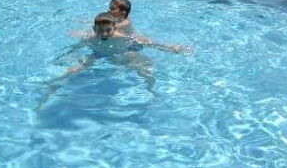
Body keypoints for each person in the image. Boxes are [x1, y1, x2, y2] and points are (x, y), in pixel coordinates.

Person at [43, 12, 190, 105]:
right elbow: (75, 48)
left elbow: (149, 43)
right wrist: (61, 58)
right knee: (75, 69)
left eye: (108, 30)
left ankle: (151, 90)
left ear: (115, 28)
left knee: (143, 70)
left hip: (121, 53)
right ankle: (52, 85)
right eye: (100, 31)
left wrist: (172, 48)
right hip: (98, 54)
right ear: (94, 29)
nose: (104, 34)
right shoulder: (90, 38)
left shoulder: (122, 37)